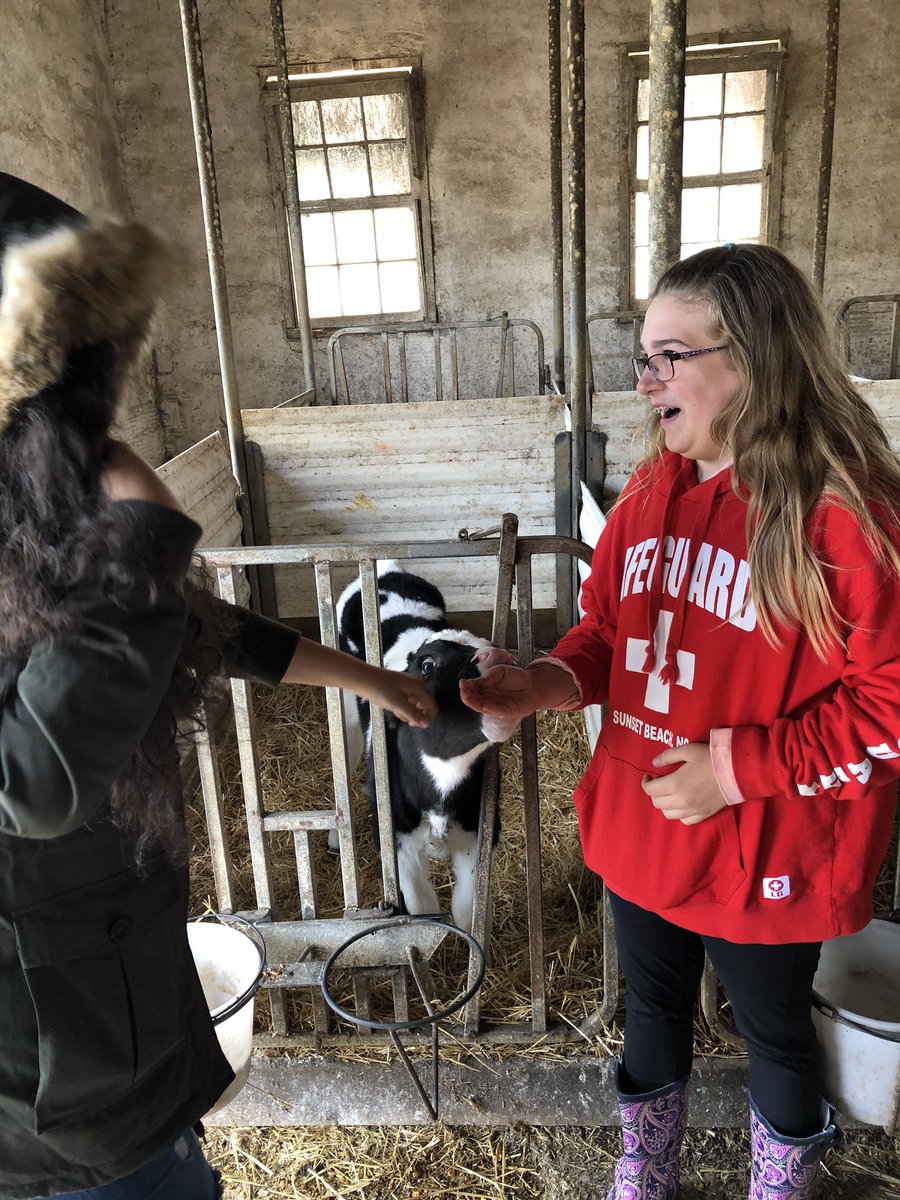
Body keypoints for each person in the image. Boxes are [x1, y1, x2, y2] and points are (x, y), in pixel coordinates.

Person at [0, 173, 436, 1200]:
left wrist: (373, 681)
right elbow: (35, 784)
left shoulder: (25, 520)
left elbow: (209, 631)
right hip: (54, 1095)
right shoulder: (74, 517)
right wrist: (142, 536)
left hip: (97, 1030)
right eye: (80, 389)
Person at [461, 243, 900, 1200]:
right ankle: (645, 1164)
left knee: (773, 1031)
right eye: (644, 358)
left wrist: (737, 770)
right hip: (645, 818)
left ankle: (780, 1183)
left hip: (763, 836)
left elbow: (889, 705)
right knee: (651, 1008)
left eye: (670, 356)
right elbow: (608, 632)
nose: (646, 381)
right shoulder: (650, 489)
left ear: (754, 357)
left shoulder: (842, 515)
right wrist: (540, 683)